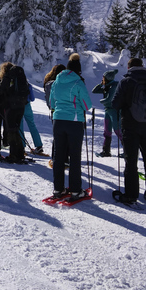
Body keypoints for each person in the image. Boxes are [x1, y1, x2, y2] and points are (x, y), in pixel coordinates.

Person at [111, 58, 146, 205]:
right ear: (142, 66)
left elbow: (115, 104)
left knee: (131, 161)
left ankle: (131, 196)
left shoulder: (126, 82)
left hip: (130, 126)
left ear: (129, 67)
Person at [48, 54, 93, 199]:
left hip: (58, 121)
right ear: (78, 71)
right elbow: (87, 105)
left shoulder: (56, 81)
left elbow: (52, 103)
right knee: (74, 157)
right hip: (74, 121)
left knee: (59, 156)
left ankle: (58, 189)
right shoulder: (78, 82)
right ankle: (75, 190)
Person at [0, 62, 30, 163]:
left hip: (11, 107)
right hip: (21, 106)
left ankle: (13, 155)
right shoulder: (20, 77)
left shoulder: (7, 77)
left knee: (11, 130)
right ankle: (20, 153)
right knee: (17, 129)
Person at [92, 69, 121, 157]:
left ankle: (128, 151)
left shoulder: (113, 87)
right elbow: (94, 91)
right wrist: (101, 84)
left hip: (114, 111)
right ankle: (106, 151)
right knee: (107, 131)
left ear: (107, 78)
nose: (102, 79)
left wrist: (101, 101)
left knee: (118, 130)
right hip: (108, 110)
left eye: (103, 78)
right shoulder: (108, 86)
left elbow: (109, 99)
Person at [20, 85, 44, 155]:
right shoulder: (27, 84)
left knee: (20, 126)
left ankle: (22, 146)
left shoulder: (15, 83)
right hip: (27, 106)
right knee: (32, 125)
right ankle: (39, 146)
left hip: (18, 106)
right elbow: (32, 98)